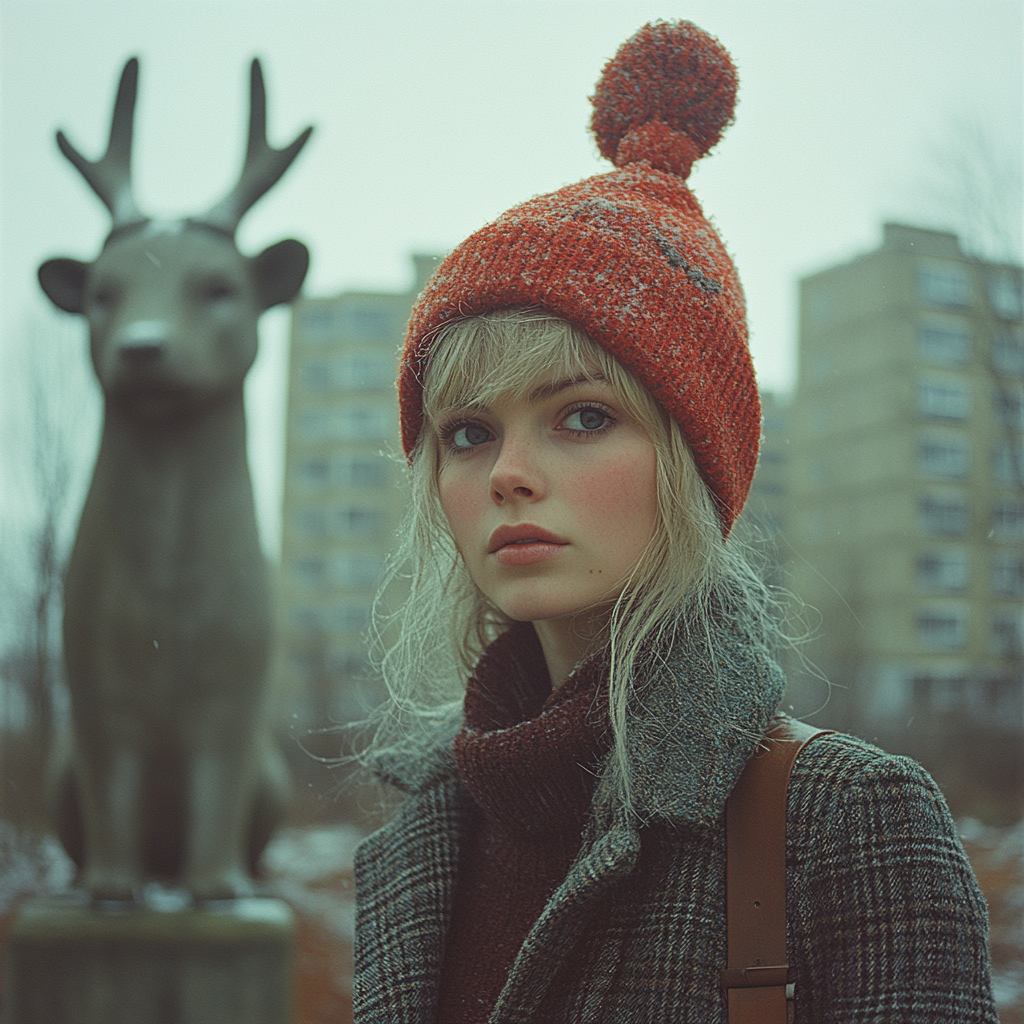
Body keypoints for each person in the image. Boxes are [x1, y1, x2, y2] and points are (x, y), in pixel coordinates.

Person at [351, 20, 998, 1023]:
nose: (510, 474)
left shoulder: (842, 820)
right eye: (468, 433)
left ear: (693, 464)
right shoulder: (413, 845)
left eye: (581, 416)